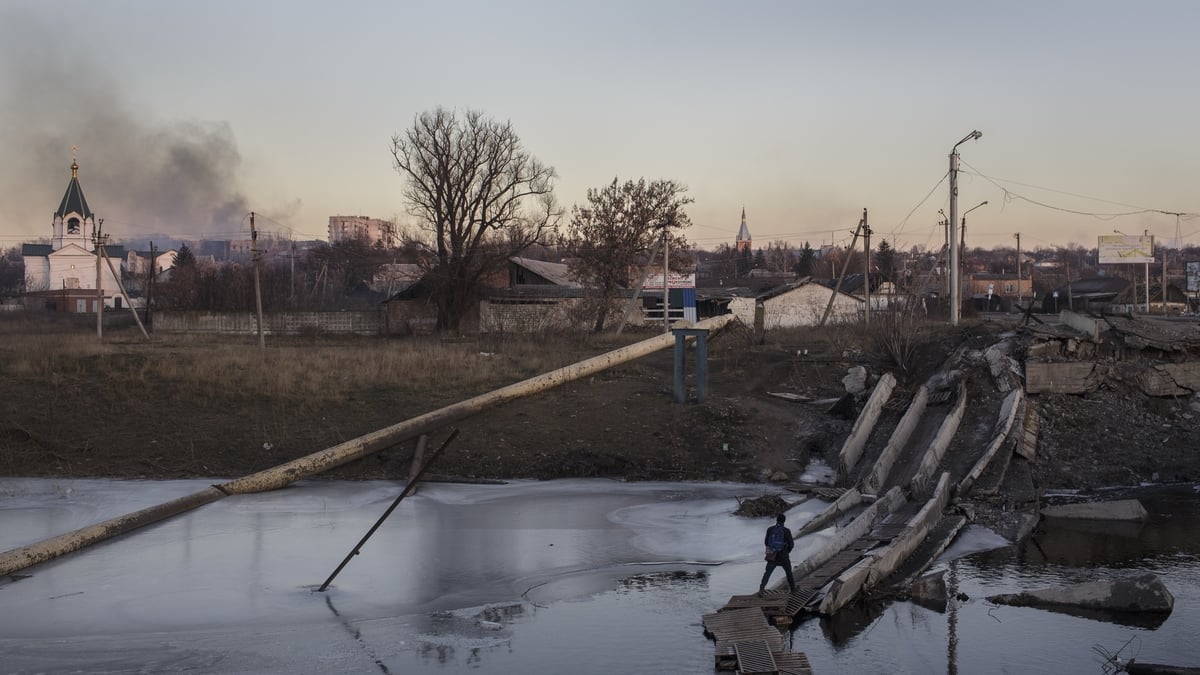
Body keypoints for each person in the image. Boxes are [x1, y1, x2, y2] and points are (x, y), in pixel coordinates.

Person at [758, 513, 796, 596]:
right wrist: (786, 551)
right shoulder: (786, 531)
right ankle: (793, 589)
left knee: (767, 573)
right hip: (783, 555)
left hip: (773, 555)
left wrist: (772, 550)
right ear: (784, 521)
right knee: (788, 572)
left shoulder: (770, 529)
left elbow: (766, 542)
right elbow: (791, 544)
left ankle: (761, 589)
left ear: (777, 520)